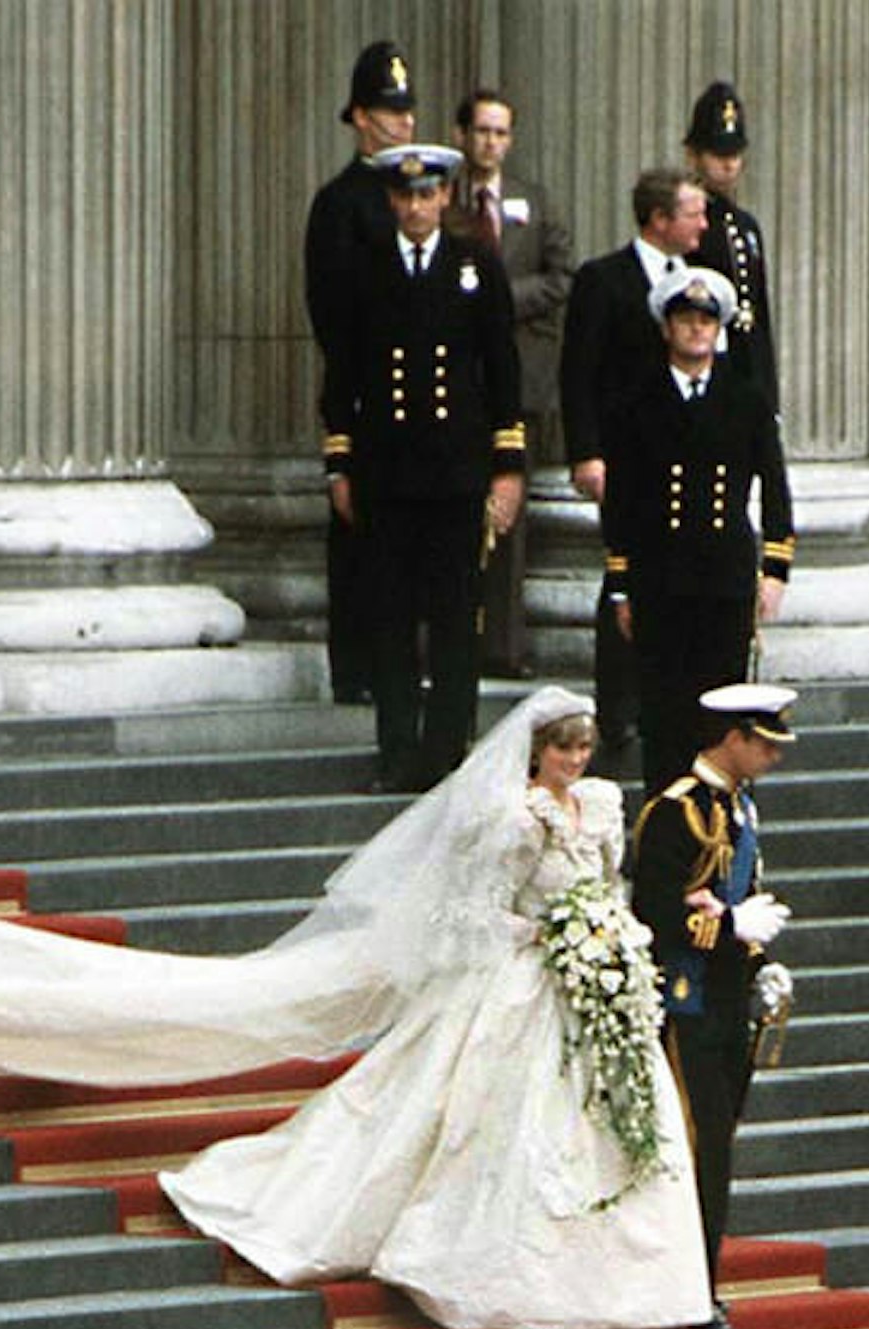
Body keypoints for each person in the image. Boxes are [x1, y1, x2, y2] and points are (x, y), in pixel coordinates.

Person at [165, 694, 708, 1329]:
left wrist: (607, 930)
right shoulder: (516, 820)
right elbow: (475, 912)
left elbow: (610, 882)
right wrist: (548, 934)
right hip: (528, 976)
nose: (575, 760)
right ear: (538, 751)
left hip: (592, 976)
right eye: (565, 748)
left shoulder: (598, 807)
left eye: (583, 748)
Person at [322, 141, 523, 792]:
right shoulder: (363, 269)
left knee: (455, 619)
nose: (415, 206)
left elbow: (502, 371)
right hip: (388, 475)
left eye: (427, 194)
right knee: (390, 620)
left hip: (455, 476)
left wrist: (508, 466)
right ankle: (397, 750)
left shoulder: (475, 267)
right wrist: (341, 464)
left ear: (444, 197)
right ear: (391, 201)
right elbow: (343, 374)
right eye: (404, 195)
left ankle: (447, 749)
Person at [629, 682, 795, 1326]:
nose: (773, 757)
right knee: (697, 1146)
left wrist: (759, 962)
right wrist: (729, 931)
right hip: (686, 998)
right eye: (765, 744)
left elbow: (743, 892)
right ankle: (689, 1287)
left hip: (727, 998)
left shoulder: (740, 807)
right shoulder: (677, 810)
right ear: (734, 739)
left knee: (719, 1144)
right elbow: (657, 912)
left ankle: (702, 1278)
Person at [599, 262, 791, 789]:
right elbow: (620, 503)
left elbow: (774, 485)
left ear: (719, 328)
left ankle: (722, 831)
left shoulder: (746, 397)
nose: (696, 330)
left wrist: (775, 569)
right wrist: (621, 584)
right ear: (666, 327)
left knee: (727, 712)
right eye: (685, 320)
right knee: (663, 711)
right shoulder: (636, 402)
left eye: (706, 321)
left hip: (724, 576)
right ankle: (667, 830)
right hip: (660, 577)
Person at [557, 167, 705, 767]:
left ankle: (664, 701)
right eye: (692, 212)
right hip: (623, 456)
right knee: (623, 577)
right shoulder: (604, 280)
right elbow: (579, 373)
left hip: (680, 456)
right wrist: (585, 452)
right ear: (659, 219)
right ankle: (616, 713)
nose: (703, 222)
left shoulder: (699, 283)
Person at [304, 37, 418, 708]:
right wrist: (341, 426)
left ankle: (401, 663)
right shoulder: (341, 204)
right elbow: (333, 315)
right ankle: (357, 669)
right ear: (357, 117)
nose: (400, 122)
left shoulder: (420, 194)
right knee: (359, 542)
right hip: (365, 395)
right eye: (385, 111)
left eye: (405, 110)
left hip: (421, 406)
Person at [454, 87, 573, 676]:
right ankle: (449, 638)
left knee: (509, 514)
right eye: (481, 131)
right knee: (452, 511)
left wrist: (502, 299)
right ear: (462, 136)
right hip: (457, 382)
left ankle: (504, 645)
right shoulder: (443, 198)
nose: (491, 143)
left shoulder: (536, 200)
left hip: (519, 378)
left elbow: (560, 278)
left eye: (501, 133)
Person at [681, 81, 774, 413]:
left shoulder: (746, 225)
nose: (729, 164)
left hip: (744, 359)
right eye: (719, 154)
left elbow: (758, 312)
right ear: (694, 155)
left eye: (734, 154)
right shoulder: (688, 220)